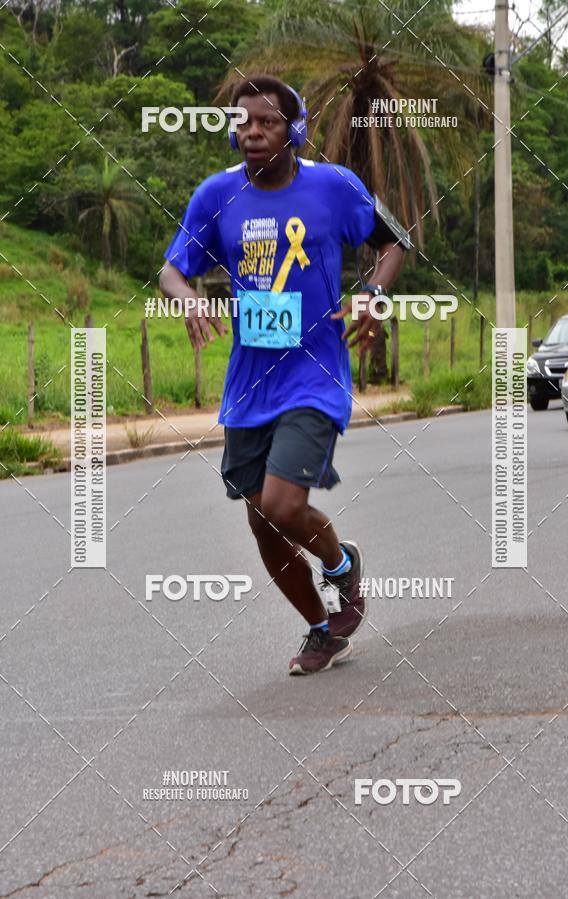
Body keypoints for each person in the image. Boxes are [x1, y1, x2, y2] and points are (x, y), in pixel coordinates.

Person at [159, 75, 406, 675]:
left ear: (292, 131)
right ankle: (321, 630)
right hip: (249, 385)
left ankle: (342, 567)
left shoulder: (333, 187)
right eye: (242, 123)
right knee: (260, 521)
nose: (251, 132)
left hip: (315, 375)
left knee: (282, 504)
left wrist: (373, 294)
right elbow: (171, 269)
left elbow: (395, 242)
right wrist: (188, 297)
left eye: (265, 122)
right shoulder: (215, 197)